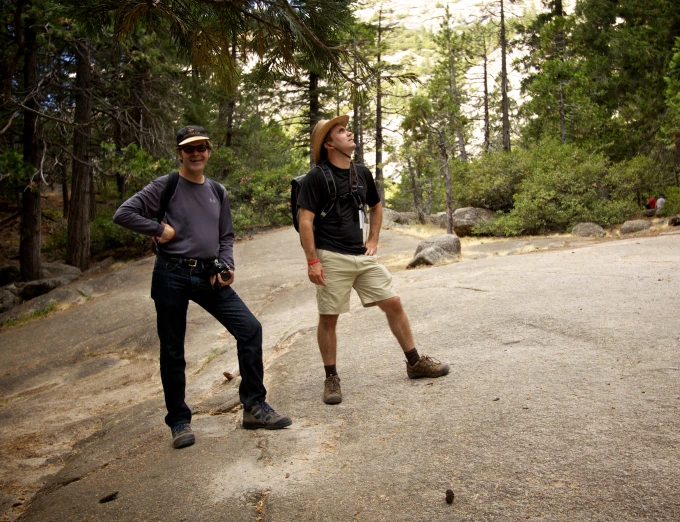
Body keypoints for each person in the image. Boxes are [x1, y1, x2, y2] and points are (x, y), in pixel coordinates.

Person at [113, 125, 291, 449]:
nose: (196, 154)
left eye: (201, 148)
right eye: (189, 148)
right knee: (173, 350)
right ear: (180, 153)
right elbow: (123, 213)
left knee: (250, 329)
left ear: (208, 151)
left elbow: (226, 235)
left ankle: (253, 407)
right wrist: (159, 229)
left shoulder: (218, 191)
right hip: (171, 274)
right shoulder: (166, 185)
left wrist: (227, 265)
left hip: (208, 276)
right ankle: (179, 422)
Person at [296, 115, 450, 405]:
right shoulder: (318, 177)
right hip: (331, 256)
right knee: (329, 318)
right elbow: (306, 221)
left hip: (361, 256)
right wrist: (312, 261)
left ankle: (414, 363)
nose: (349, 132)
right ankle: (331, 378)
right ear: (329, 144)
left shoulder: (361, 173)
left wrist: (374, 240)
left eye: (347, 129)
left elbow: (376, 207)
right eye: (341, 131)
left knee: (393, 302)